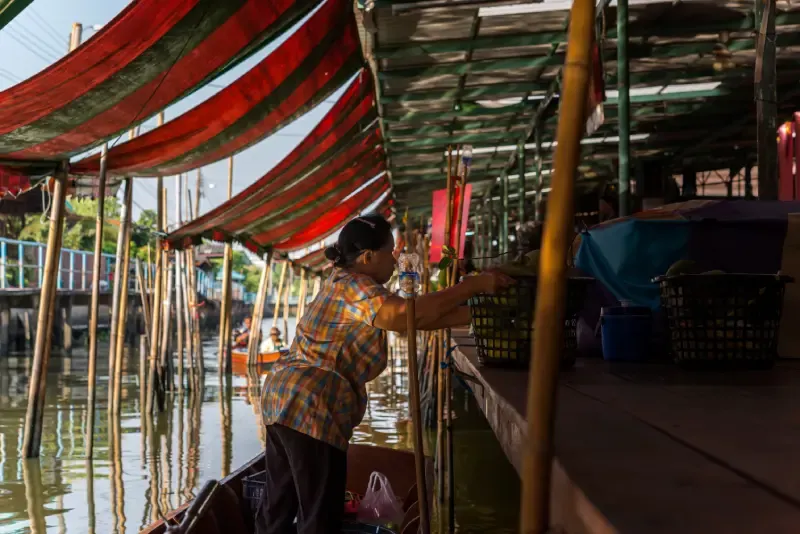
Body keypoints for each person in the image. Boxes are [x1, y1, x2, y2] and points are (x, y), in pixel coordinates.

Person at [257, 213, 512, 533]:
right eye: (389, 252)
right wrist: (472, 286)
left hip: (282, 396)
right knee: (319, 514)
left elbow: (415, 319)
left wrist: (478, 315)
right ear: (367, 257)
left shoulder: (343, 282)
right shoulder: (354, 285)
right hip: (311, 403)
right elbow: (403, 315)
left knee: (279, 502)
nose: (394, 260)